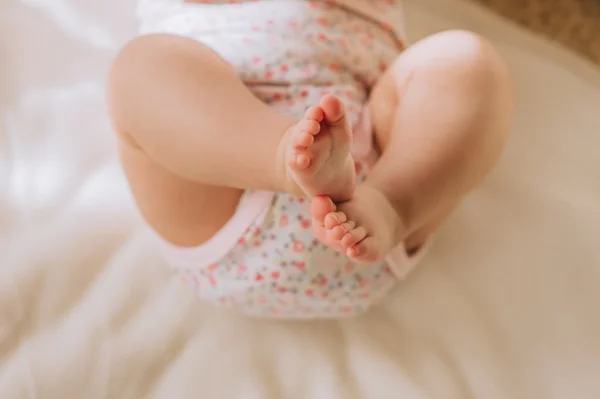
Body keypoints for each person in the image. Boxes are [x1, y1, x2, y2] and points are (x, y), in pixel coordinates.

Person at [106, 0, 513, 318]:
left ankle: (393, 203)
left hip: (380, 182)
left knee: (465, 62)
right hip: (222, 174)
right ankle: (280, 156)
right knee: (140, 70)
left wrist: (387, 201)